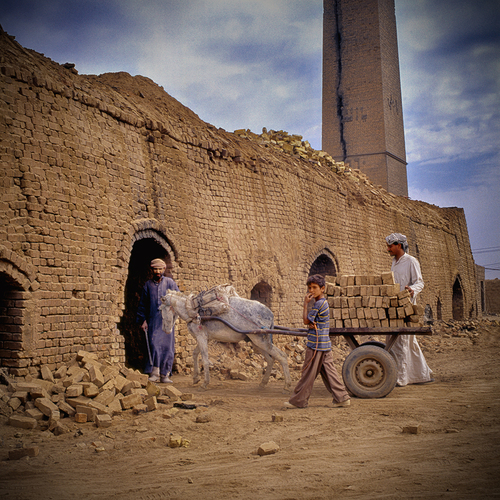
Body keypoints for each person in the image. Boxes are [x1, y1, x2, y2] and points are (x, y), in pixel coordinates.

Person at [284, 274, 351, 409]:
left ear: (323, 289)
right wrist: (311, 322)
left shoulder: (319, 304)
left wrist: (305, 305)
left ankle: (298, 401)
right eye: (310, 287)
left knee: (308, 373)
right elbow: (311, 322)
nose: (311, 290)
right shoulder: (323, 303)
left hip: (316, 345)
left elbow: (306, 321)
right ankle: (342, 398)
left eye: (315, 287)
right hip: (324, 343)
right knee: (329, 371)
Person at [385, 232, 434, 386]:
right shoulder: (395, 262)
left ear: (399, 245)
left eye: (390, 246)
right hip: (395, 307)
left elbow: (420, 282)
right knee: (405, 341)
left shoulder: (411, 261)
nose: (388, 249)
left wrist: (412, 289)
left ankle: (401, 378)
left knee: (401, 341)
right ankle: (421, 375)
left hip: (407, 306)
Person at [136, 258, 179, 383]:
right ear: (152, 270)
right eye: (155, 269)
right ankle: (154, 373)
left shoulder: (170, 283)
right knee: (154, 345)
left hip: (167, 321)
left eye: (160, 269)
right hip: (153, 320)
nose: (158, 271)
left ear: (164, 269)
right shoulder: (148, 285)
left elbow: (178, 297)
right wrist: (142, 320)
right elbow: (142, 304)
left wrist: (173, 306)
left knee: (167, 347)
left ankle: (165, 375)